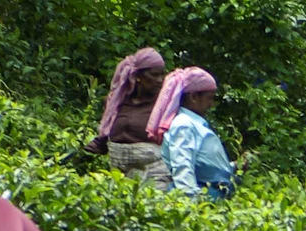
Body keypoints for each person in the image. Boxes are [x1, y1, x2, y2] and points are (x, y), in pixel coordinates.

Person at [151, 68, 235, 198]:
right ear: (193, 97)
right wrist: (192, 203)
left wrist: (233, 167)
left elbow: (204, 165)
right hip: (204, 196)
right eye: (209, 98)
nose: (211, 104)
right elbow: (183, 168)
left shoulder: (191, 124)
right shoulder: (183, 125)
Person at [96, 48, 171, 186]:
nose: (160, 80)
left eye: (162, 75)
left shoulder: (164, 104)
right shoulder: (118, 102)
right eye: (154, 75)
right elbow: (107, 129)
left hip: (155, 175)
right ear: (138, 76)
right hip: (120, 175)